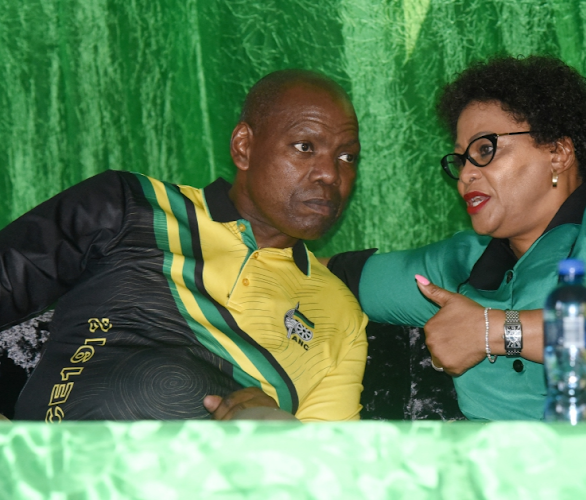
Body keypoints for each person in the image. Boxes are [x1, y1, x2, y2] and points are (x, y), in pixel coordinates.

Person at [328, 55, 586, 421]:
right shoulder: (462, 263)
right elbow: (331, 276)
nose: (467, 173)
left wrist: (493, 330)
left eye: (485, 149)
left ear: (558, 153)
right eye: (461, 160)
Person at [0, 69, 368, 422]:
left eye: (347, 157)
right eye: (305, 147)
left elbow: (327, 473)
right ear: (244, 147)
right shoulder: (130, 206)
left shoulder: (342, 316)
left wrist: (277, 436)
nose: (330, 174)